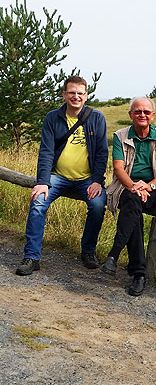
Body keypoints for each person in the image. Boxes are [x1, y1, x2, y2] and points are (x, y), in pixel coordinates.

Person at [17, 76, 108, 276]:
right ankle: (32, 256)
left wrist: (97, 181)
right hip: (57, 176)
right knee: (38, 201)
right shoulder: (53, 117)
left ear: (86, 95)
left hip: (87, 178)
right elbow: (46, 152)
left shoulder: (96, 118)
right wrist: (42, 182)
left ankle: (88, 251)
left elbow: (102, 153)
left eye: (80, 93)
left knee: (98, 205)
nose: (76, 97)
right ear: (64, 95)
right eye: (72, 93)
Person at [101, 97, 156, 297]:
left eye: (146, 112)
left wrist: (148, 186)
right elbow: (118, 167)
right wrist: (133, 186)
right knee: (133, 205)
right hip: (127, 188)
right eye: (138, 112)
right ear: (130, 115)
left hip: (153, 188)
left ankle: (114, 254)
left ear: (153, 116)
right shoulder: (120, 135)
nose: (142, 115)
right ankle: (139, 274)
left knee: (133, 204)